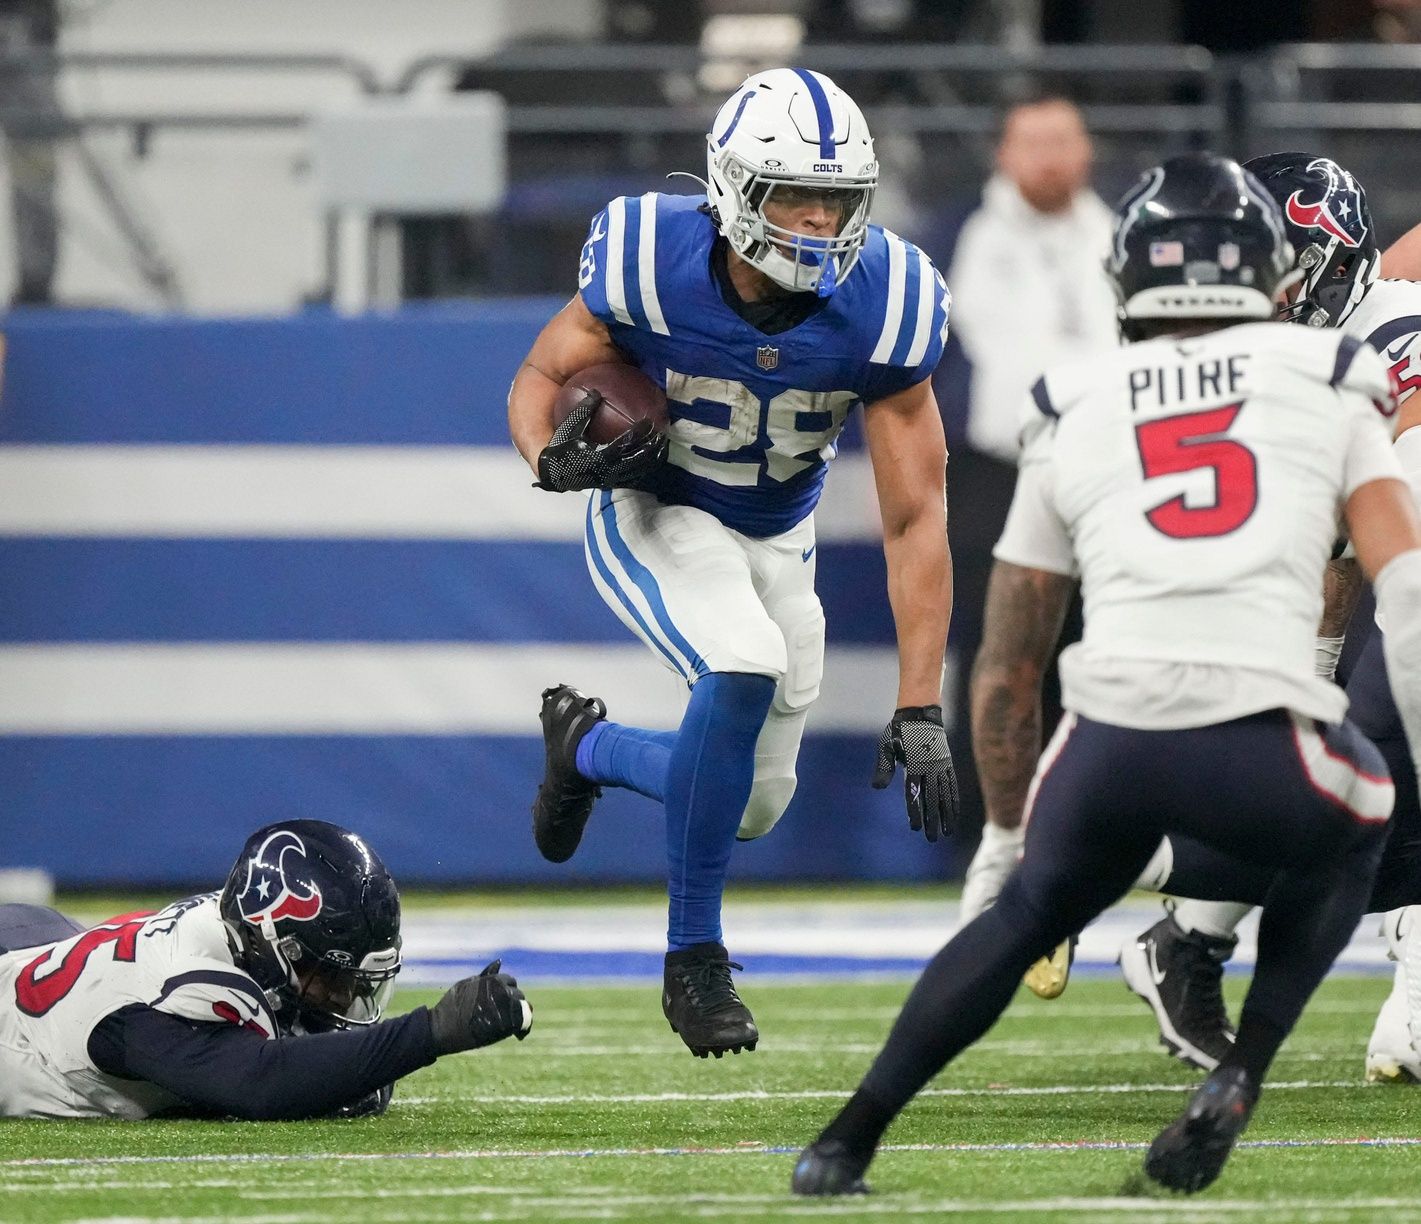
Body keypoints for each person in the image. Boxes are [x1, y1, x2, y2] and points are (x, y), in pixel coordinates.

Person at [792, 152, 1421, 1197]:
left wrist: (1003, 834)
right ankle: (1239, 1075)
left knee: (1023, 910)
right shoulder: (1333, 385)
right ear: (1266, 267)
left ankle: (847, 1135)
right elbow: (1399, 597)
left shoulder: (1074, 400)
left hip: (1104, 741)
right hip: (1257, 737)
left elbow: (1007, 657)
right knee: (1372, 823)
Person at [507, 67, 957, 1058]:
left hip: (775, 535)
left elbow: (915, 515)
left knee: (751, 805)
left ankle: (584, 750)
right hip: (653, 506)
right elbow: (540, 374)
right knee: (743, 663)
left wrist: (919, 701)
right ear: (729, 189)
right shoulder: (645, 255)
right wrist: (550, 458)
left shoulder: (887, 301)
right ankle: (693, 962)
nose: (812, 221)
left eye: (833, 200)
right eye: (790, 194)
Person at [1120, 152, 1421, 1080]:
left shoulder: (1380, 334)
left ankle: (1184, 924)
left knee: (1364, 776)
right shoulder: (1277, 356)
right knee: (1360, 776)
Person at [0, 820, 533, 1119]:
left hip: (47, 946)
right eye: (335, 978)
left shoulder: (237, 928)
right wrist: (430, 1033)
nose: (345, 1000)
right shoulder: (173, 1000)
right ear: (275, 947)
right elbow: (260, 1082)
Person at [944, 96, 1117, 965]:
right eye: (1033, 142)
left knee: (1093, 655)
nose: (1049, 158)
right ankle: (989, 835)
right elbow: (1019, 360)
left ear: (1085, 152)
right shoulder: (984, 237)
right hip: (1002, 469)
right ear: (1006, 152)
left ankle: (1087, 839)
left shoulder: (1113, 232)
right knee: (995, 656)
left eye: (1062, 140)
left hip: (1096, 467)